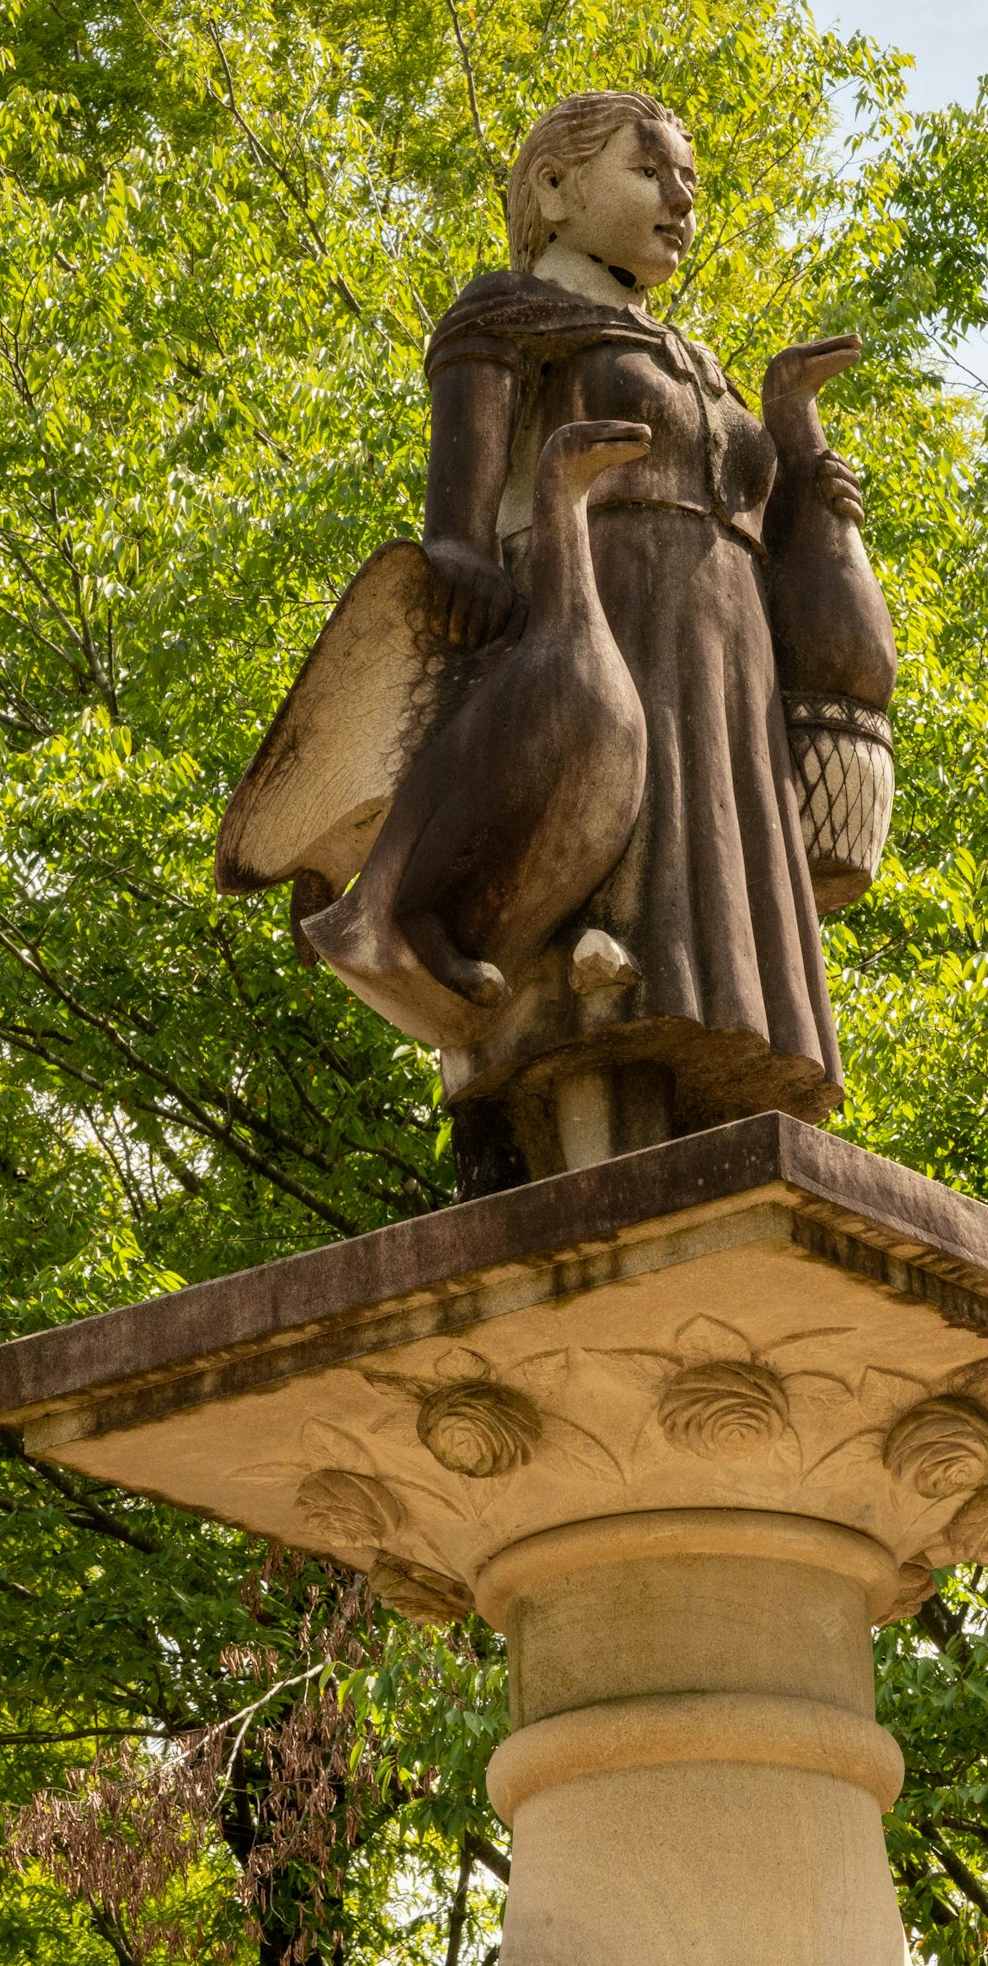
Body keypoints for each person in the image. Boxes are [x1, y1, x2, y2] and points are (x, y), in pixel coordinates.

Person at [400, 90, 879, 1191]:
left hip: (724, 661)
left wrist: (796, 443)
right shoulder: (507, 316)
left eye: (691, 185)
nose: (680, 202)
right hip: (593, 632)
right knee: (601, 924)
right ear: (557, 190)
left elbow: (760, 515)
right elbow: (457, 541)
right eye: (651, 172)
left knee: (711, 922)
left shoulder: (693, 358)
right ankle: (586, 1154)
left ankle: (716, 1148)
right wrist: (466, 571)